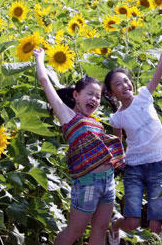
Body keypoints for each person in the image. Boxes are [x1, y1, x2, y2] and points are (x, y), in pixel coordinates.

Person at [105, 16, 162, 243]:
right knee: (131, 223)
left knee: (154, 225)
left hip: (157, 164)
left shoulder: (144, 96)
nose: (125, 85)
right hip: (134, 168)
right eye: (118, 84)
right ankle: (115, 225)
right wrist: (114, 164)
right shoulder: (117, 117)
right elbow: (117, 144)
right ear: (112, 93)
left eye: (125, 80)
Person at [33, 47, 125, 245]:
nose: (94, 99)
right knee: (75, 231)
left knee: (100, 230)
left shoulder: (96, 122)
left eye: (98, 97)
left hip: (107, 182)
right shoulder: (68, 117)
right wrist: (39, 58)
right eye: (89, 94)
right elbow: (44, 81)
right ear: (76, 95)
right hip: (88, 184)